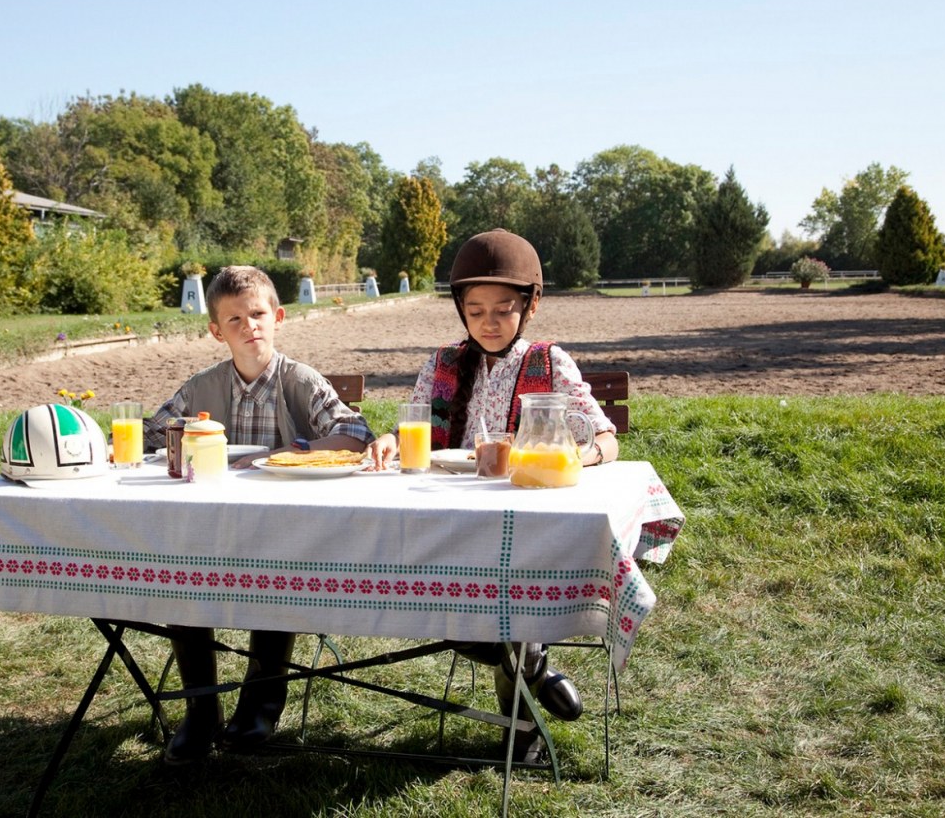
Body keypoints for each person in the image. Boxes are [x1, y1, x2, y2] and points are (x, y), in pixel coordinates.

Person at [368, 229, 619, 761]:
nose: (488, 322)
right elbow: (417, 431)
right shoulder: (442, 364)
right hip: (446, 524)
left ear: (528, 307)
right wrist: (390, 439)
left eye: (503, 309)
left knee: (516, 589)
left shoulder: (549, 365)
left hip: (521, 526)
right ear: (461, 310)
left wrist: (579, 456)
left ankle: (520, 725)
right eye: (475, 309)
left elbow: (606, 439)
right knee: (422, 586)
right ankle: (535, 665)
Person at [143, 265, 376, 765]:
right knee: (183, 572)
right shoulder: (204, 385)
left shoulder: (299, 379)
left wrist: (292, 450)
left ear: (278, 317)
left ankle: (259, 705)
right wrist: (190, 433)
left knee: (277, 571)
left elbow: (356, 434)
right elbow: (153, 432)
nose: (249, 326)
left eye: (257, 314)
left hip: (284, 525)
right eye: (234, 319)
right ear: (215, 330)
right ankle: (199, 711)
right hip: (209, 521)